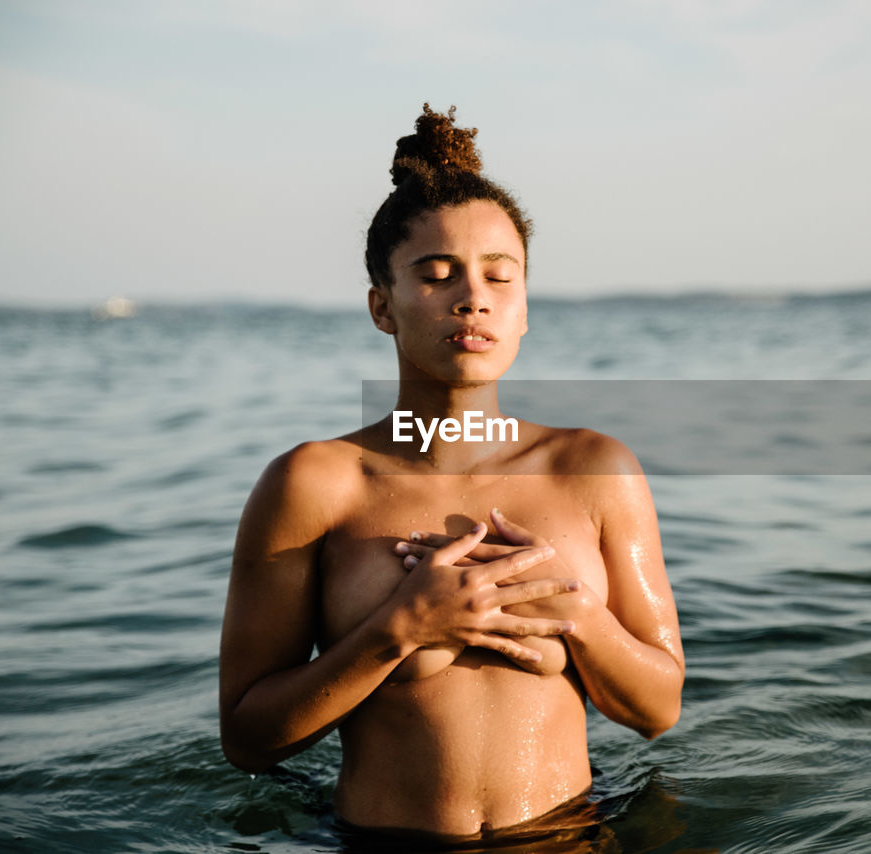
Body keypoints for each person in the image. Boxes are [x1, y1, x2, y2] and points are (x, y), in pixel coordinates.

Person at [218, 104, 684, 845]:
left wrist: (574, 610)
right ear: (382, 307)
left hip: (567, 838)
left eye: (501, 276)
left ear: (524, 307)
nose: (474, 296)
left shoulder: (595, 470)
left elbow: (658, 709)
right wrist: (400, 630)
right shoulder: (316, 484)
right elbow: (247, 738)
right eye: (437, 275)